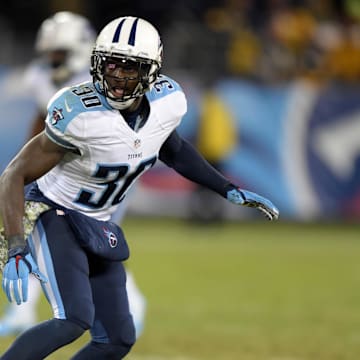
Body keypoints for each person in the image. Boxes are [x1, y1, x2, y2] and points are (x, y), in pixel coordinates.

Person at [0, 16, 279, 359]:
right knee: (72, 319)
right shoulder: (77, 113)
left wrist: (226, 188)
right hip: (53, 211)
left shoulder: (167, 103)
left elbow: (173, 148)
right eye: (111, 64)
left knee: (117, 339)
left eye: (130, 68)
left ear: (151, 71)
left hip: (99, 222)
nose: (117, 76)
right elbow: (14, 173)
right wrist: (16, 246)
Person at [0, 11, 146, 339]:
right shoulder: (40, 78)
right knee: (39, 238)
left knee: (96, 246)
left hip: (100, 178)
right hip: (61, 176)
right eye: (49, 54)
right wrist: (23, 166)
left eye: (59, 54)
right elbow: (42, 121)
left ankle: (133, 304)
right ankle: (22, 310)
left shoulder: (99, 81)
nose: (52, 61)